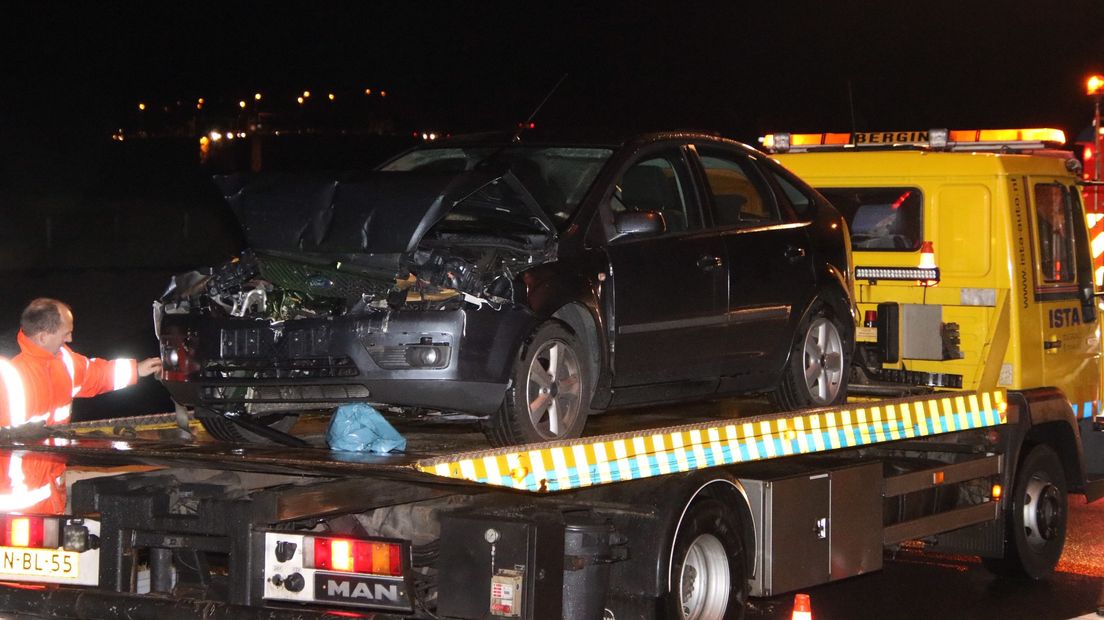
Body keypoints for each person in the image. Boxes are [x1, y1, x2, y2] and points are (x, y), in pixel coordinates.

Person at [0, 298, 162, 513]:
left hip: (49, 497)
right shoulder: (7, 372)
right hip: (10, 505)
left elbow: (96, 375)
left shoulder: (62, 360)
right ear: (43, 336)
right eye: (65, 333)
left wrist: (138, 370)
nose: (70, 338)